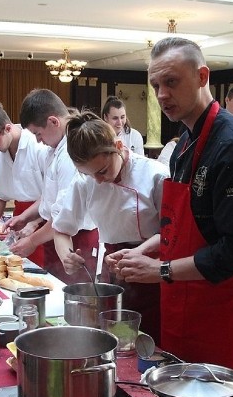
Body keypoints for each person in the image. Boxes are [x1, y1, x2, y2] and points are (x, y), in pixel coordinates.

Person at [109, 37, 233, 373]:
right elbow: (178, 228)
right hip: (188, 303)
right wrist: (145, 251)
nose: (162, 94)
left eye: (171, 82)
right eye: (155, 85)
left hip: (227, 309)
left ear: (202, 76)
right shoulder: (185, 143)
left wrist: (161, 270)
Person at [53, 111, 169, 339]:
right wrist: (66, 256)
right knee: (114, 336)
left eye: (102, 171)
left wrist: (139, 251)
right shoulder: (85, 182)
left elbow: (170, 232)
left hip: (155, 268)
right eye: (88, 174)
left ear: (117, 145)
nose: (97, 180)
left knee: (152, 339)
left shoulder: (155, 175)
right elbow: (61, 229)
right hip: (113, 270)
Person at [13, 89, 99, 285]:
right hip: (53, 235)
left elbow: (62, 213)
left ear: (53, 121)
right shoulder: (52, 149)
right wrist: (26, 217)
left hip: (77, 240)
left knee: (75, 301)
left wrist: (32, 241)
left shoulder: (70, 153)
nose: (37, 140)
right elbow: (49, 197)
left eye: (38, 133)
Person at [0, 102, 50, 266]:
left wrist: (33, 223)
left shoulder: (38, 145)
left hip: (46, 219)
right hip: (21, 216)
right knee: (19, 269)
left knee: (45, 274)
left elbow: (52, 195)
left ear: (7, 128)